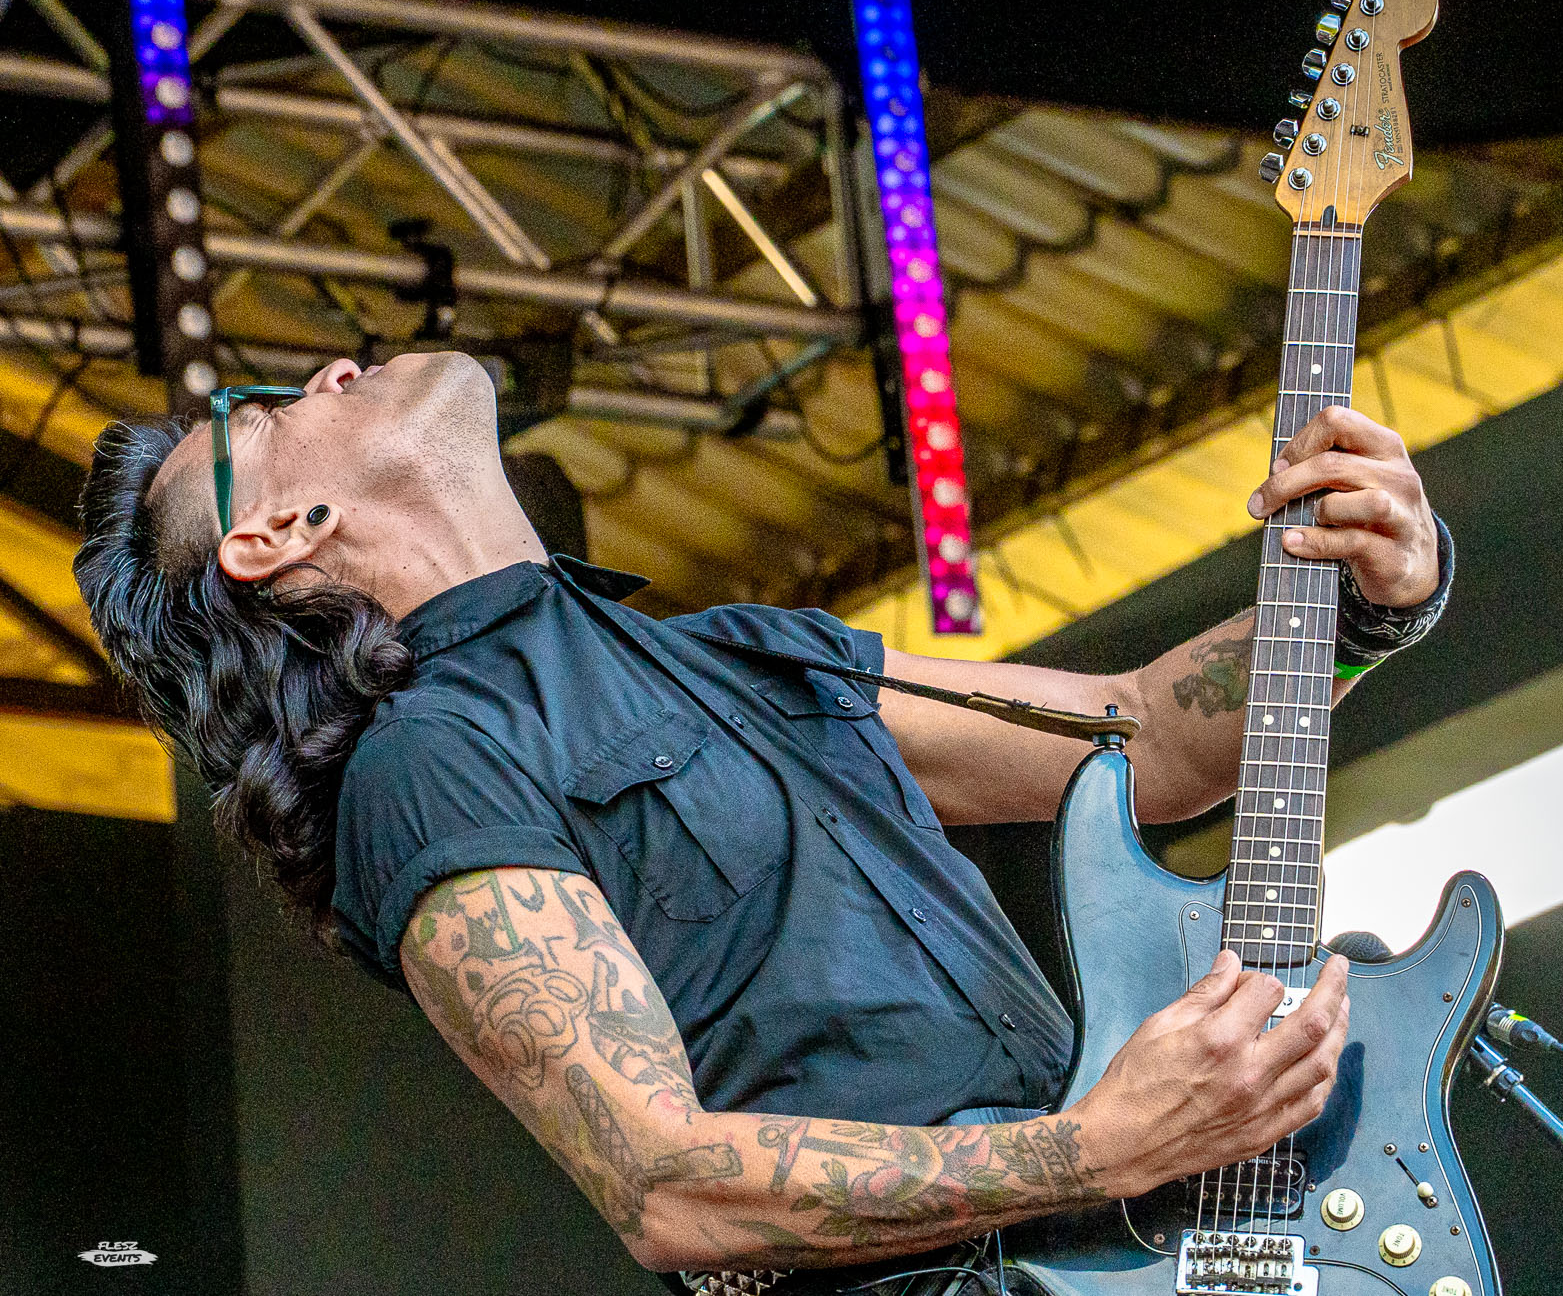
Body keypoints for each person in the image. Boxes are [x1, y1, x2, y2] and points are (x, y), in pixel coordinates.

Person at [73, 351, 1452, 1276]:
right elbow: (664, 1183)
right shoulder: (430, 764)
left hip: (1105, 1254)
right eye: (266, 414)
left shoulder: (741, 651)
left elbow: (1141, 737)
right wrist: (1093, 1146)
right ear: (277, 532)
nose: (327, 369)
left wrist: (1371, 604)